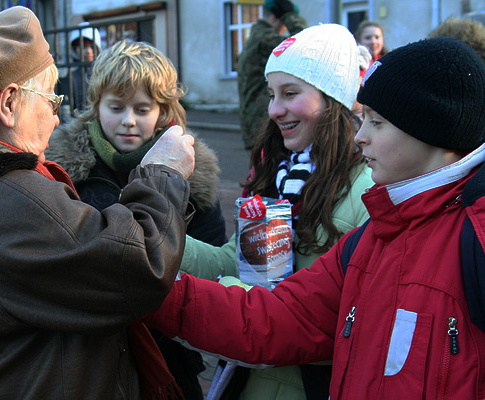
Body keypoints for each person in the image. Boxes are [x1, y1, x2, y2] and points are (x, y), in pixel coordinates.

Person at [145, 36, 485, 399]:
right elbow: (280, 316)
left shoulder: (468, 237)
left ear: (431, 128)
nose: (361, 136)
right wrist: (140, 275)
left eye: (378, 122)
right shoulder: (375, 231)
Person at [0, 6, 196, 399]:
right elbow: (137, 268)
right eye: (51, 98)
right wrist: (163, 174)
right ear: (10, 104)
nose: (56, 116)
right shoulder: (7, 196)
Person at [180, 24, 374, 400]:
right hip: (248, 376)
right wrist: (154, 239)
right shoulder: (278, 173)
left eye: (290, 93)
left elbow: (339, 321)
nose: (274, 109)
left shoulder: (368, 189)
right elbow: (232, 262)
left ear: (332, 98)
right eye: (271, 94)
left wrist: (232, 301)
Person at [45, 39, 227, 399]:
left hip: (169, 354)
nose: (129, 121)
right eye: (116, 106)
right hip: (84, 358)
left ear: (163, 111)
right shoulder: (61, 170)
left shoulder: (194, 175)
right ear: (95, 105)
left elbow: (212, 264)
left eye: (142, 109)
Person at [237, 0, 307, 150]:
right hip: (265, 124)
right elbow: (305, 44)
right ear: (277, 18)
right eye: (284, 24)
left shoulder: (256, 37)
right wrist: (291, 16)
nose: (284, 29)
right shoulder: (265, 40)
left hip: (256, 123)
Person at [68, 22, 102, 112]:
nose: (88, 51)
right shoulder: (71, 76)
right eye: (83, 47)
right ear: (75, 49)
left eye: (91, 46)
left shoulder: (103, 73)